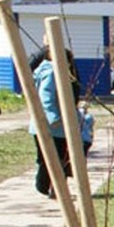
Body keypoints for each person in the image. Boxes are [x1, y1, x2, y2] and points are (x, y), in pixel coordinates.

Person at [29, 48, 81, 198]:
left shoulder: (45, 71)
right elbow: (46, 97)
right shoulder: (52, 73)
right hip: (53, 126)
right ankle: (46, 187)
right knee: (56, 159)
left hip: (44, 124)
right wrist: (55, 118)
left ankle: (54, 188)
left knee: (50, 158)